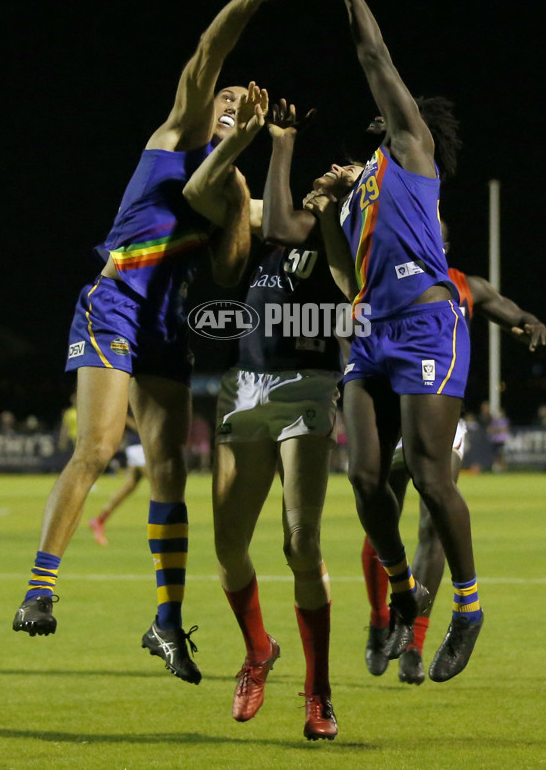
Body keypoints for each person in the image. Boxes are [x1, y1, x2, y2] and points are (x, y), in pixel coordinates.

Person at [12, 0, 302, 690]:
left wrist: (338, 189)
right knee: (100, 446)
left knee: (171, 468)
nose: (229, 97)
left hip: (165, 327)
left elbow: (270, 233)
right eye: (225, 93)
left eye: (240, 99)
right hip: (114, 304)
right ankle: (40, 588)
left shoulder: (229, 185)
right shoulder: (173, 136)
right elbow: (210, 49)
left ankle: (167, 622)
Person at [303, 0, 483, 683]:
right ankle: (404, 588)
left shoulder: (412, 149)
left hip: (428, 324)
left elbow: (373, 54)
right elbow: (345, 278)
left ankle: (467, 608)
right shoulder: (361, 193)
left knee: (434, 477)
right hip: (370, 329)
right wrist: (325, 212)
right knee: (365, 478)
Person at [204, 101, 344, 740]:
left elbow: (292, 225)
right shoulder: (261, 216)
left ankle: (318, 695)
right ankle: (259, 650)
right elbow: (242, 206)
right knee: (228, 546)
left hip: (306, 386)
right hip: (244, 386)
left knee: (301, 542)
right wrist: (242, 141)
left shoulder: (331, 227)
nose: (325, 180)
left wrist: (287, 150)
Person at [363, 243, 546, 683]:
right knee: (378, 518)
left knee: (433, 525)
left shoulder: (465, 286)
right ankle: (381, 621)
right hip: (390, 412)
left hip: (439, 415)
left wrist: (531, 323)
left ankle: (414, 641)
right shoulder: (379, 273)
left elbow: (509, 311)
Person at [88, 410, 147, 546]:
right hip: (139, 448)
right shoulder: (135, 398)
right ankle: (168, 529)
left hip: (140, 446)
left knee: (129, 487)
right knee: (160, 486)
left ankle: (99, 520)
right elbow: (126, 418)